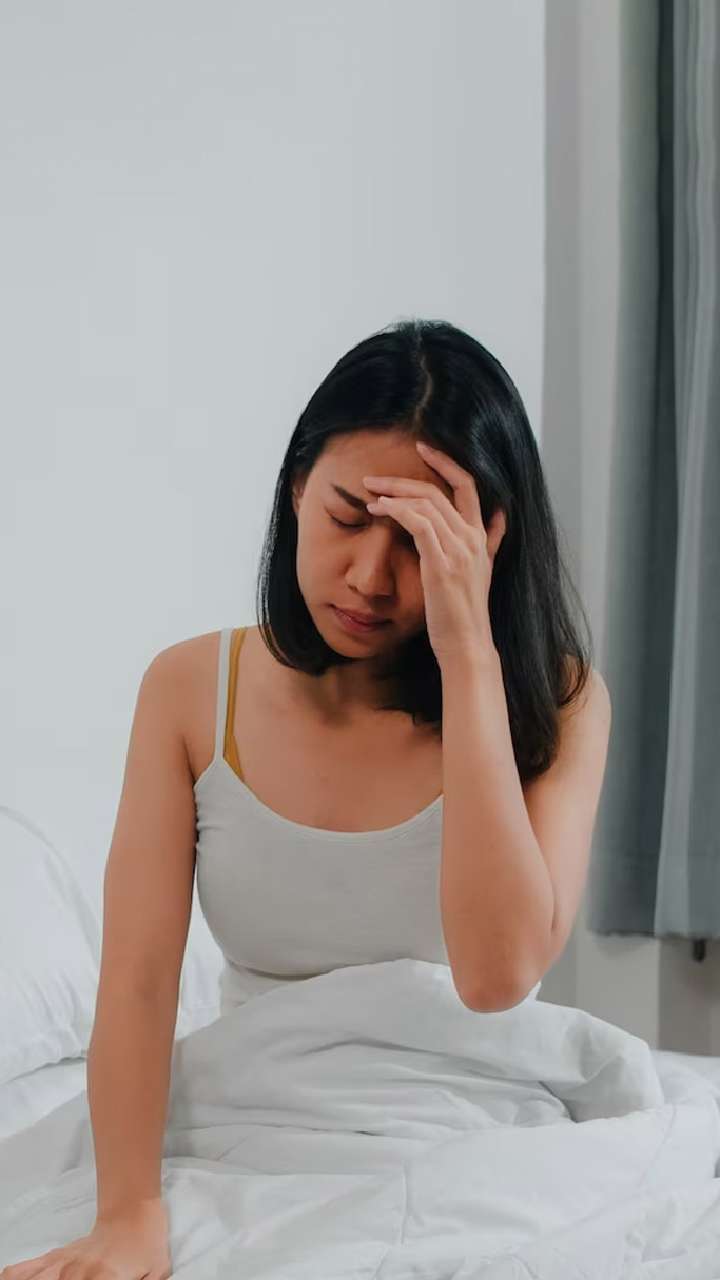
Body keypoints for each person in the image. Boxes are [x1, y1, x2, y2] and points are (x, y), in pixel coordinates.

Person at [3, 318, 595, 1279]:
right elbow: (141, 982)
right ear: (295, 489)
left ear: (485, 542)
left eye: (416, 542)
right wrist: (130, 1212)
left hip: (469, 1116)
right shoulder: (191, 691)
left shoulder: (557, 701)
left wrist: (470, 658)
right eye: (348, 518)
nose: (370, 577)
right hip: (249, 1110)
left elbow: (496, 979)